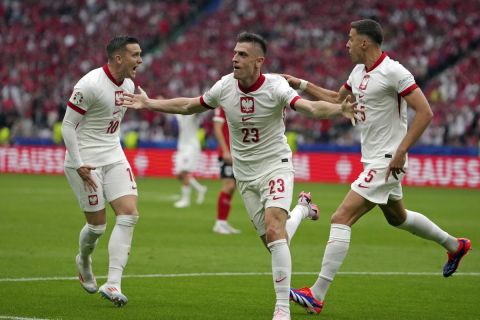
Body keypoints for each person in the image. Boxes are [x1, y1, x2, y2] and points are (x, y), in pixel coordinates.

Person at [122, 32, 355, 320]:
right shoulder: (224, 86)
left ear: (259, 61)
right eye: (234, 53)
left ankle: (282, 309)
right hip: (244, 173)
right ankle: (302, 209)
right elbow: (189, 105)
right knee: (274, 240)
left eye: (242, 54)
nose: (234, 58)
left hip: (275, 165)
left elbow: (310, 108)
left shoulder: (276, 86)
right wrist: (149, 104)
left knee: (273, 230)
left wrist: (337, 109)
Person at [285, 19, 472, 315]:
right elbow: (337, 99)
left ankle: (317, 294)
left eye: (350, 38)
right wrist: (301, 84)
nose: (346, 44)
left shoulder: (394, 72)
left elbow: (425, 112)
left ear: (364, 42)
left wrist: (400, 152)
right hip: (373, 159)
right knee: (397, 218)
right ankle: (455, 245)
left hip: (387, 160)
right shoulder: (358, 71)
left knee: (341, 216)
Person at [61, 35, 143, 307]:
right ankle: (83, 260)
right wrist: (78, 161)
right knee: (97, 227)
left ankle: (113, 283)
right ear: (119, 58)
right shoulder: (90, 84)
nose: (140, 60)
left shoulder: (129, 84)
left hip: (114, 156)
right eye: (135, 55)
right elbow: (67, 126)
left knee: (129, 214)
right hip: (84, 161)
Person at [212, 106, 241, 234]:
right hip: (227, 153)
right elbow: (217, 128)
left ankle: (223, 222)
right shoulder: (223, 105)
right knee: (228, 185)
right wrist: (225, 150)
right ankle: (219, 223)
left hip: (237, 153)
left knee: (232, 187)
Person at [173, 113, 208, 208]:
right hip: (181, 147)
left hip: (191, 147)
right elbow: (166, 106)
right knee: (179, 175)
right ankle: (200, 189)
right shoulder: (179, 114)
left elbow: (200, 109)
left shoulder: (193, 115)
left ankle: (186, 200)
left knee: (185, 173)